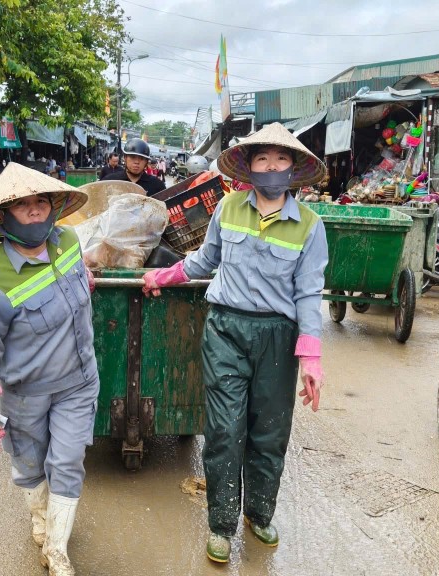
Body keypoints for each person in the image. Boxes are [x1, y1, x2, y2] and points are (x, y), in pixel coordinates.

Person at [140, 123, 329, 563]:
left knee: (269, 431)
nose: (271, 167)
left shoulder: (310, 226)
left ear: (293, 168)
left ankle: (258, 514)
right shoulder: (227, 208)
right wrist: (164, 276)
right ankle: (221, 524)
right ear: (249, 166)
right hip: (226, 329)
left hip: (278, 338)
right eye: (262, 158)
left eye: (280, 159)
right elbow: (205, 260)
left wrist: (311, 358)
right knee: (225, 429)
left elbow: (308, 293)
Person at [0, 162, 97, 576]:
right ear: (2, 216)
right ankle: (40, 518)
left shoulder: (69, 240)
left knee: (68, 461)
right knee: (29, 464)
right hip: (25, 394)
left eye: (41, 201)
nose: (35, 210)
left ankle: (57, 550)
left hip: (78, 381)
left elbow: (79, 281)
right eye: (23, 205)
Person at [101, 139, 165, 195]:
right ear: (125, 158)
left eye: (141, 158)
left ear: (146, 161)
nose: (137, 162)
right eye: (132, 157)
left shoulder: (157, 186)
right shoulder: (110, 181)